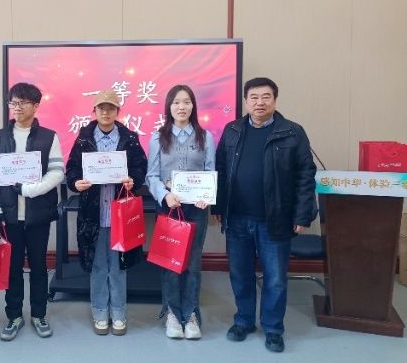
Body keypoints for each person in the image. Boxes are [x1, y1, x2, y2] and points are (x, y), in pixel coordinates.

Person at [213, 77, 317, 353]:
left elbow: (306, 175)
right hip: (236, 218)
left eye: (266, 97)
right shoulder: (232, 130)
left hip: (276, 219)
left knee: (275, 278)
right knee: (240, 275)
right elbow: (220, 170)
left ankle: (273, 328)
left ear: (275, 100)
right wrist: (218, 206)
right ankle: (244, 321)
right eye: (254, 97)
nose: (260, 102)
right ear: (246, 101)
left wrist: (302, 214)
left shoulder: (292, 132)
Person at [0, 82, 64, 341]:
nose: (16, 108)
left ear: (36, 106)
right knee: (12, 268)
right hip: (9, 217)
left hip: (38, 215)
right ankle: (14, 316)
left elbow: (57, 172)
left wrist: (29, 190)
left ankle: (39, 314)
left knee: (39, 267)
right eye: (13, 103)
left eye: (22, 103)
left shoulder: (49, 137)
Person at [66, 89, 147, 336]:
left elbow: (140, 167)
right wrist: (76, 183)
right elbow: (72, 170)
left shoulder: (129, 138)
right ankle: (100, 311)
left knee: (119, 266)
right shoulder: (84, 139)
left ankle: (119, 312)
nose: (106, 112)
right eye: (101, 108)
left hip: (121, 214)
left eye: (111, 108)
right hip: (93, 215)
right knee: (98, 265)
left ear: (117, 111)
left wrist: (133, 180)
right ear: (94, 111)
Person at [146, 84, 215, 340]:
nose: (181, 107)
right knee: (170, 263)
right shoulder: (158, 137)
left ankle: (191, 314)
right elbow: (152, 175)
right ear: (169, 107)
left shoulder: (205, 137)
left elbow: (210, 172)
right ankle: (173, 314)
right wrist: (164, 195)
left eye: (186, 102)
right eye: (176, 102)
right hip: (169, 206)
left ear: (193, 106)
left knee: (193, 264)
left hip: (196, 209)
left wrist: (206, 196)